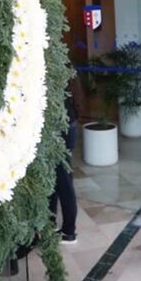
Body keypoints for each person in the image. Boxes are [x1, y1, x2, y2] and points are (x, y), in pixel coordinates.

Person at [50, 79, 80, 244]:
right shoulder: (66, 69)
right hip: (66, 125)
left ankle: (69, 231)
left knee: (63, 182)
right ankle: (51, 222)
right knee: (55, 179)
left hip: (61, 128)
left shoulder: (55, 71)